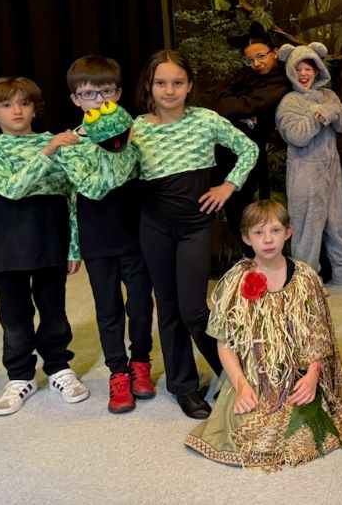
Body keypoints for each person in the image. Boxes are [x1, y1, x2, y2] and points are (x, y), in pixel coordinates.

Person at [130, 49, 259, 419]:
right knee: (168, 307)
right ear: (149, 86)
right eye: (161, 83)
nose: (169, 90)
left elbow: (248, 149)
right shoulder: (136, 128)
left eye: (177, 82)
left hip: (195, 227)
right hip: (154, 226)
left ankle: (232, 375)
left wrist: (228, 186)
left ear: (189, 86)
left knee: (194, 310)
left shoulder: (205, 120)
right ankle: (183, 386)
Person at [184, 200, 342, 468]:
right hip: (253, 371)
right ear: (246, 237)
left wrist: (312, 376)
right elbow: (225, 342)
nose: (268, 240)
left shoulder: (304, 277)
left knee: (305, 428)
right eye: (259, 232)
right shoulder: (236, 281)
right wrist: (241, 385)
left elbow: (318, 335)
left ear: (288, 232)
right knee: (248, 430)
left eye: (275, 230)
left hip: (297, 366)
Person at [0, 77, 90, 415]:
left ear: (35, 109)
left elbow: (72, 197)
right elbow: (11, 188)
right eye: (6, 104)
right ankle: (20, 376)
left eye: (24, 103)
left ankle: (58, 368)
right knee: (14, 314)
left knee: (53, 309)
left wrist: (74, 246)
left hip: (51, 235)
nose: (17, 110)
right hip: (9, 240)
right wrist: (47, 151)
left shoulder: (58, 142)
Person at [53, 55, 156, 413]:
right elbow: (84, 193)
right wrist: (73, 248)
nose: (99, 100)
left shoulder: (136, 133)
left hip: (136, 235)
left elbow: (146, 178)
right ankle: (118, 372)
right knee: (108, 309)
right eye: (89, 94)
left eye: (106, 92)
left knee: (140, 304)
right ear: (76, 99)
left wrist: (126, 139)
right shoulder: (70, 143)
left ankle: (140, 362)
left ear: (119, 93)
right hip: (97, 239)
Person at [275, 41, 342, 285]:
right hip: (305, 173)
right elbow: (296, 136)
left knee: (338, 223)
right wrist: (316, 116)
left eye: (308, 68)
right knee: (307, 227)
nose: (304, 74)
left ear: (318, 70)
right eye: (298, 69)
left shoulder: (329, 95)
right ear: (291, 72)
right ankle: (305, 280)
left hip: (331, 171)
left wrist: (332, 112)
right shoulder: (289, 102)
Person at [201, 22, 292, 252]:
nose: (256, 63)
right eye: (250, 59)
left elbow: (242, 106)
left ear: (275, 53)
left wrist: (230, 104)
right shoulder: (243, 75)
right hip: (221, 153)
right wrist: (231, 105)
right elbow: (213, 97)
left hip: (249, 156)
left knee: (244, 214)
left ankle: (260, 261)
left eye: (261, 56)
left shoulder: (280, 81)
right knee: (223, 210)